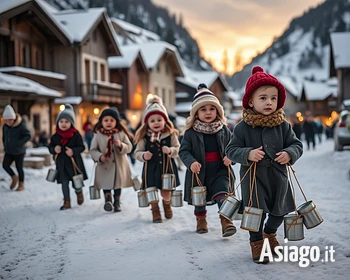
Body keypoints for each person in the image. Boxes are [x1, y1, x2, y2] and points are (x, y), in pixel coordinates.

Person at [225, 66, 303, 264]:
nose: (269, 102)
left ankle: (270, 233)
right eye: (263, 98)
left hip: (278, 176)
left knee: (280, 210)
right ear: (250, 101)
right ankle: (257, 242)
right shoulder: (243, 127)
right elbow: (231, 150)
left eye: (273, 98)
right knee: (255, 213)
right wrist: (247, 153)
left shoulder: (283, 125)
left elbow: (296, 144)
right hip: (253, 178)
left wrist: (289, 153)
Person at [179, 86, 236, 237]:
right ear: (196, 113)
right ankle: (201, 219)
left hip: (220, 170)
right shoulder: (191, 133)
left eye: (212, 108)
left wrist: (230, 156)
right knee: (200, 198)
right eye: (203, 109)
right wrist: (191, 162)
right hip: (200, 171)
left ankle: (226, 220)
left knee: (223, 194)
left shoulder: (224, 130)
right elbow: (183, 151)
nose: (208, 112)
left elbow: (234, 147)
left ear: (218, 111)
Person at [134, 95, 180, 223]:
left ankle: (167, 205)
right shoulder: (144, 137)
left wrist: (171, 150)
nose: (156, 123)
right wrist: (143, 155)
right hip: (151, 168)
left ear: (165, 120)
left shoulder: (170, 134)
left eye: (159, 119)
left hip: (166, 168)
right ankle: (155, 211)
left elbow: (178, 148)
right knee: (151, 190)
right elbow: (136, 152)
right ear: (147, 123)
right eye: (152, 120)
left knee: (166, 192)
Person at [90, 107, 134, 212]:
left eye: (112, 120)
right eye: (106, 120)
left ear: (116, 122)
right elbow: (93, 150)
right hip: (104, 165)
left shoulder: (121, 133)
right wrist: (100, 156)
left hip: (119, 165)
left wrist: (121, 145)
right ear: (101, 122)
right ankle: (107, 200)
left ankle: (117, 202)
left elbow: (129, 147)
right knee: (106, 183)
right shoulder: (98, 135)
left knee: (117, 184)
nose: (109, 123)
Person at [48, 104, 87, 210]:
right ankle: (66, 201)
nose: (63, 124)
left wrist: (73, 151)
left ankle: (79, 193)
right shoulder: (55, 136)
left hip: (74, 163)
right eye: (61, 122)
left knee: (76, 183)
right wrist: (54, 149)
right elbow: (50, 147)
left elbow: (82, 147)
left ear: (71, 123)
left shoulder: (76, 135)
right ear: (57, 123)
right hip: (61, 164)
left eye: (66, 122)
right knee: (64, 183)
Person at [2, 105, 31, 191]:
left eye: (10, 120)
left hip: (19, 151)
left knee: (19, 168)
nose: (9, 122)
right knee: (5, 165)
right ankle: (14, 177)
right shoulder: (5, 127)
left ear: (14, 118)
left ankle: (21, 184)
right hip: (9, 151)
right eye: (6, 120)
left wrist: (19, 143)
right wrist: (5, 145)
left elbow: (28, 136)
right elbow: (4, 137)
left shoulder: (21, 125)